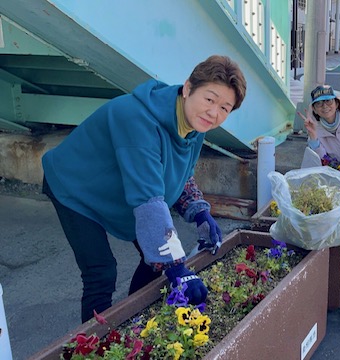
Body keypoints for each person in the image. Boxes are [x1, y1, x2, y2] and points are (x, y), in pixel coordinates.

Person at [41, 55, 247, 322]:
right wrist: (176, 268)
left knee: (154, 260)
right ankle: (96, 348)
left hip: (120, 185)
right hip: (76, 186)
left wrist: (199, 211)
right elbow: (148, 198)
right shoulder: (137, 118)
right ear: (187, 89)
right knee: (101, 271)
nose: (214, 112)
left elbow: (180, 174)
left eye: (225, 108)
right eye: (209, 99)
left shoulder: (195, 125)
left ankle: (133, 321)